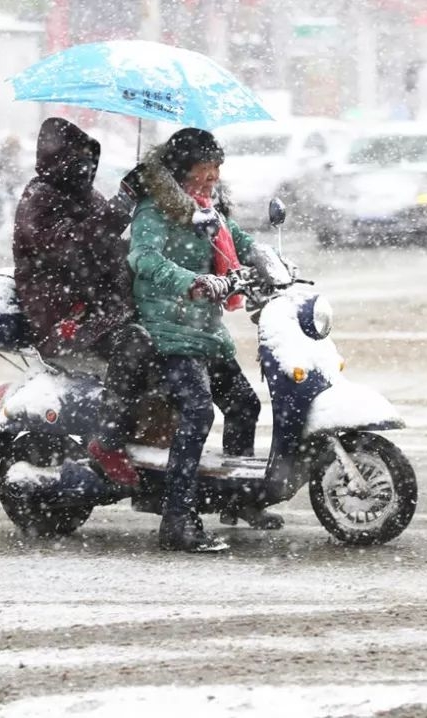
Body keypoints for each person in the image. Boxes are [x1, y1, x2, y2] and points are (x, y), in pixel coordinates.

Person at [129, 128, 281, 553]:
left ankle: (239, 501)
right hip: (165, 330)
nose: (212, 176)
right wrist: (192, 282)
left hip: (203, 331)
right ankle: (177, 517)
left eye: (216, 168)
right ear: (181, 171)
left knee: (244, 404)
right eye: (203, 169)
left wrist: (268, 260)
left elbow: (241, 241)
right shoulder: (154, 211)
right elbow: (143, 259)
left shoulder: (207, 211)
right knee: (196, 411)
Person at [12, 117, 152, 488]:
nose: (86, 170)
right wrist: (123, 202)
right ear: (57, 162)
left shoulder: (87, 197)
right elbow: (73, 248)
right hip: (62, 315)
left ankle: (155, 439)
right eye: (77, 162)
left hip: (98, 306)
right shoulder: (38, 199)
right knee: (134, 342)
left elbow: (108, 246)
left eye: (91, 162)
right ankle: (107, 441)